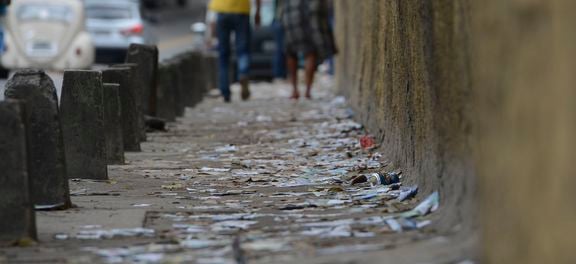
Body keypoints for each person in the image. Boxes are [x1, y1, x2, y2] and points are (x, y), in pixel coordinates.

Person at [279, 0, 337, 100]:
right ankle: (307, 91)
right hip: (310, 8)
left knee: (291, 50)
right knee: (310, 51)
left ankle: (295, 90)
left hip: (291, 9)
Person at [209, 0, 261, 103]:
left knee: (223, 54)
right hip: (241, 10)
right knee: (242, 50)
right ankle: (243, 72)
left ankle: (225, 92)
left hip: (222, 10)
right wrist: (258, 11)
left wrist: (211, 22)